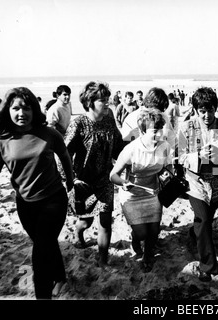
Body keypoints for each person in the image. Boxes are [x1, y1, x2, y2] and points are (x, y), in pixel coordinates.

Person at [0, 87, 74, 299]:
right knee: (44, 242)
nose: (21, 113)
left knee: (40, 255)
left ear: (34, 110)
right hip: (25, 205)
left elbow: (65, 157)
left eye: (26, 108)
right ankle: (61, 276)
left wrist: (70, 182)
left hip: (54, 200)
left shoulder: (49, 134)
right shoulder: (0, 143)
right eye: (16, 108)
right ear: (7, 111)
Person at [177, 87, 218, 281]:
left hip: (217, 182)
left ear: (216, 108)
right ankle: (208, 265)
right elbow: (180, 157)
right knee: (204, 220)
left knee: (205, 219)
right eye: (202, 111)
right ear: (195, 110)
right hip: (195, 182)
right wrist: (198, 156)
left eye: (210, 110)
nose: (206, 115)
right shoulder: (186, 127)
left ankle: (194, 234)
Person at [64, 81, 124, 267]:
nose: (107, 104)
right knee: (86, 221)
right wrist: (72, 178)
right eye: (102, 101)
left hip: (105, 179)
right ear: (90, 102)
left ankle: (103, 259)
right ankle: (78, 232)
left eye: (108, 100)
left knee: (105, 221)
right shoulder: (79, 124)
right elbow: (63, 153)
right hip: (84, 182)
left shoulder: (109, 119)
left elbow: (118, 147)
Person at [110, 108, 172, 273]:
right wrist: (123, 183)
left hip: (153, 192)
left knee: (154, 230)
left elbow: (168, 168)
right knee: (141, 232)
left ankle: (148, 256)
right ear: (142, 130)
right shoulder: (132, 149)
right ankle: (135, 239)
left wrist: (168, 177)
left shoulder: (165, 146)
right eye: (154, 130)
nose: (159, 134)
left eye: (160, 129)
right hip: (132, 194)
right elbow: (113, 175)